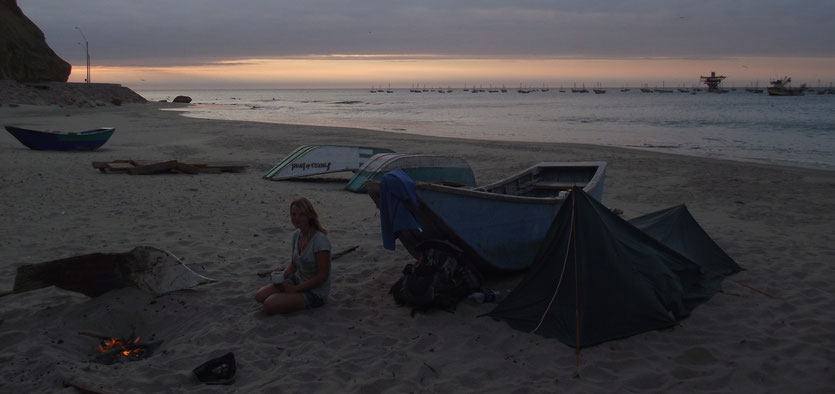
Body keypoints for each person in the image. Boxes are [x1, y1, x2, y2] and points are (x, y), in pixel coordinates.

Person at [255, 197, 331, 314]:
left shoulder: (320, 240)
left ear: (309, 216)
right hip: (298, 280)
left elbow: (322, 276)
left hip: (315, 291)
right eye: (293, 214)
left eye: (301, 214)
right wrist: (282, 276)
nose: (296, 218)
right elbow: (293, 264)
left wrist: (295, 289)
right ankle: (287, 297)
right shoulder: (297, 235)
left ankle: (291, 299)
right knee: (260, 295)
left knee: (269, 304)